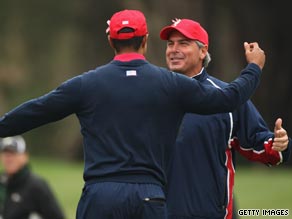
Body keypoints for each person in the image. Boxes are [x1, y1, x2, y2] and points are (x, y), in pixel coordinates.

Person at [0, 9, 266, 219]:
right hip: (149, 197)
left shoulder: (86, 85)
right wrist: (253, 67)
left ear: (110, 40)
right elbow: (230, 98)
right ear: (146, 40)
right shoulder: (170, 84)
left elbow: (34, 111)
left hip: (99, 197)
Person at [159, 18, 292, 219]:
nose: (174, 49)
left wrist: (278, 144)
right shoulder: (151, 95)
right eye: (170, 44)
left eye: (183, 43)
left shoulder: (226, 98)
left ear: (203, 52)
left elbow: (259, 142)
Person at [0, 135, 65, 219]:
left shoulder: (36, 186)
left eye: (13, 154)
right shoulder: (2, 183)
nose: (9, 159)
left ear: (25, 156)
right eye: (6, 154)